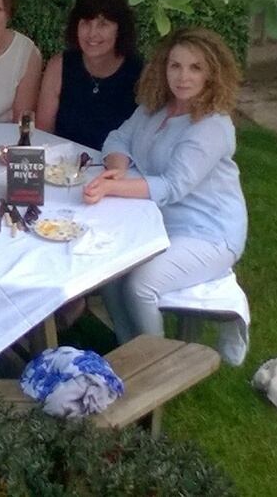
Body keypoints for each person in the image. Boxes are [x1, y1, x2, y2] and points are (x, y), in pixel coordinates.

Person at [84, 28, 247, 342]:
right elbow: (118, 138)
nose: (183, 77)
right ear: (164, 67)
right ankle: (128, 349)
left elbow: (173, 186)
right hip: (155, 221)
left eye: (195, 67)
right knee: (110, 271)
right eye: (176, 66)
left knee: (140, 284)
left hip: (207, 234)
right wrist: (117, 170)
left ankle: (157, 364)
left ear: (212, 74)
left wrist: (110, 187)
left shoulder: (212, 126)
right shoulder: (155, 107)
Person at [36, 0, 144, 150]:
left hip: (115, 169)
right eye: (86, 23)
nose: (92, 33)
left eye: (103, 24)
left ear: (120, 29)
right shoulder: (59, 66)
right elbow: (43, 133)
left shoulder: (139, 74)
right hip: (62, 166)